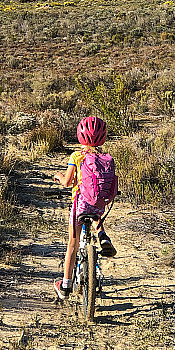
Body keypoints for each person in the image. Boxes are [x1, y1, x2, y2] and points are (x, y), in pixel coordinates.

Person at [53, 115, 116, 299]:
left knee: (73, 243)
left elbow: (67, 182)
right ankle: (102, 236)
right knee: (95, 213)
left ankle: (65, 286)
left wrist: (58, 176)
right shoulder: (105, 158)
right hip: (99, 205)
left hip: (80, 204)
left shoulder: (77, 156)